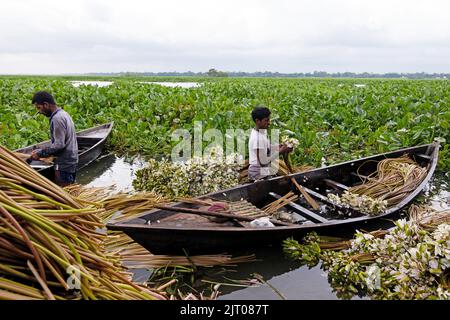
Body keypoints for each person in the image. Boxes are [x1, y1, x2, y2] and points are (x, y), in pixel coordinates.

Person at [31, 91, 78, 186]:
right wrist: (41, 150)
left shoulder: (57, 118)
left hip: (64, 163)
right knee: (71, 189)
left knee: (64, 193)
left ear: (46, 104)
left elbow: (59, 145)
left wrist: (39, 154)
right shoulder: (63, 113)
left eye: (39, 108)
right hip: (71, 159)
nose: (39, 112)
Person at [248, 106, 292, 181]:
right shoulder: (257, 139)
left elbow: (266, 148)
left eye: (269, 120)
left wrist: (278, 146)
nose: (269, 123)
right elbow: (263, 161)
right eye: (266, 120)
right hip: (258, 175)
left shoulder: (261, 132)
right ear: (257, 121)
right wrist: (280, 151)